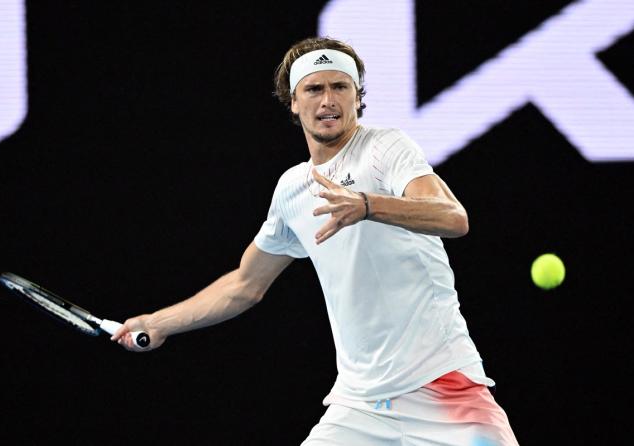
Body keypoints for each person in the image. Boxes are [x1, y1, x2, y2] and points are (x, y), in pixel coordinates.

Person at [112, 36, 519, 445]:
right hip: (358, 406)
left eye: (340, 87)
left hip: (441, 385)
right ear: (293, 101)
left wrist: (366, 204)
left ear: (358, 97)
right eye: (314, 88)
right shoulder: (292, 189)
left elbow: (453, 217)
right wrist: (157, 323)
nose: (328, 100)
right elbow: (244, 285)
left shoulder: (385, 147)